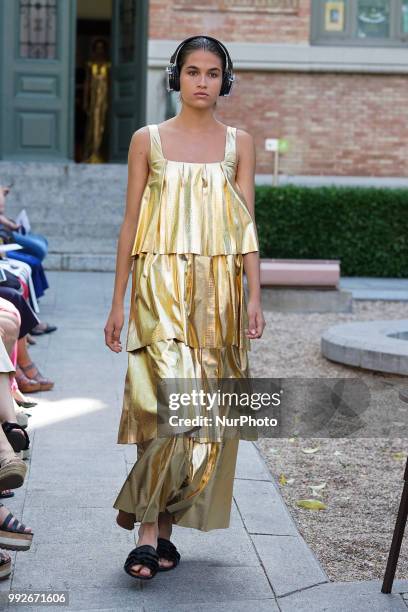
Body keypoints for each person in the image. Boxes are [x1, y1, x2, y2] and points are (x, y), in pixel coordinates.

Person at [104, 35, 265, 581]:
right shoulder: (146, 140)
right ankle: (146, 535)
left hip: (218, 293)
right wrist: (117, 303)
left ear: (226, 81)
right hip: (157, 287)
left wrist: (254, 298)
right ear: (177, 77)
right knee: (162, 412)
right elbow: (130, 224)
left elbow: (246, 228)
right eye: (193, 71)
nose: (203, 81)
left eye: (213, 73)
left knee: (205, 419)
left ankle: (158, 521)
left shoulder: (238, 144)